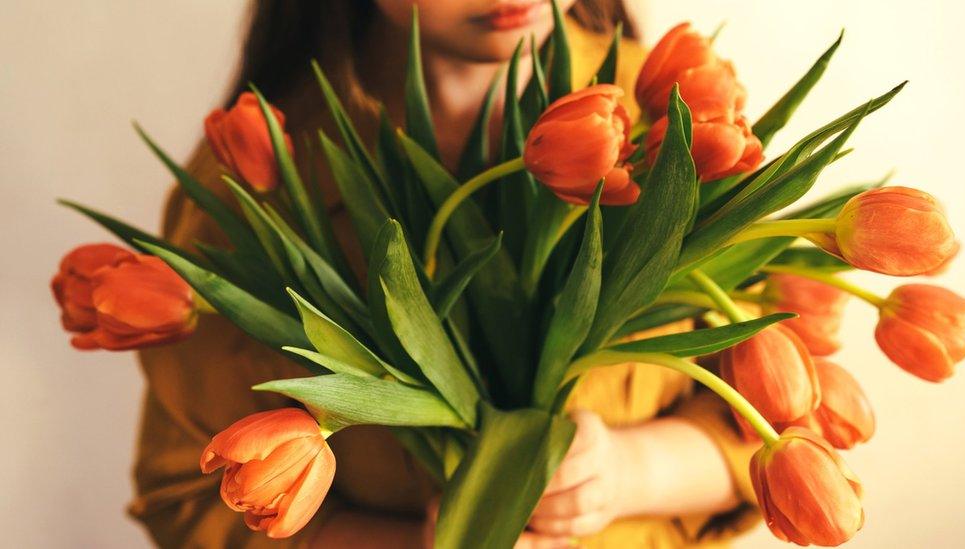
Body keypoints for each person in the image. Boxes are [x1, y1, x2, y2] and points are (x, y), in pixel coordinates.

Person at [129, 1, 761, 547]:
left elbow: (776, 423)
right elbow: (189, 496)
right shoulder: (254, 188)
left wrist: (626, 473)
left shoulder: (682, 111)